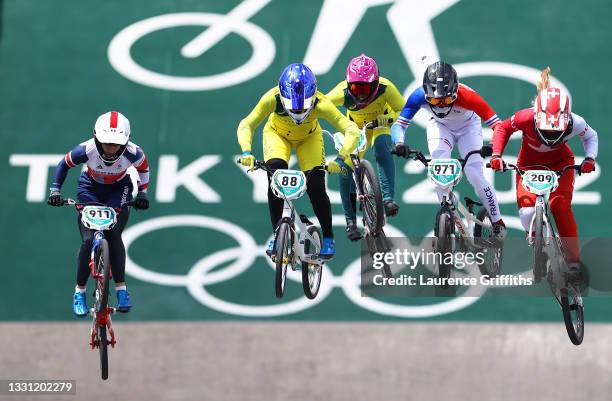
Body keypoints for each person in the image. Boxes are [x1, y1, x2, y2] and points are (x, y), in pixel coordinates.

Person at [237, 63, 360, 259]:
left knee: (316, 186)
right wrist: (246, 152)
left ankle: (328, 237)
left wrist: (341, 157)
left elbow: (351, 130)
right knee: (275, 178)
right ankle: (278, 235)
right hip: (277, 136)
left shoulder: (321, 102)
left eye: (304, 108)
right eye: (292, 108)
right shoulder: (272, 98)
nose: (298, 114)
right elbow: (247, 124)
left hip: (309, 138)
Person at [491, 67, 598, 272]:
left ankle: (574, 261)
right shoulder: (525, 117)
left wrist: (590, 159)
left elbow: (591, 137)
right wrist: (497, 155)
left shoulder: (576, 122)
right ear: (537, 117)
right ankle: (537, 236)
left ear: (566, 120)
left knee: (560, 206)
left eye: (555, 130)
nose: (550, 135)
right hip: (527, 166)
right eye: (546, 129)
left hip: (561, 164)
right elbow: (503, 128)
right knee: (527, 212)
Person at [47, 111, 150, 316]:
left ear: (125, 142)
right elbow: (63, 165)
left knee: (113, 235)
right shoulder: (85, 150)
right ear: (96, 138)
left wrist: (143, 193)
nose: (111, 149)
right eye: (106, 143)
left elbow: (143, 170)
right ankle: (79, 291)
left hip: (119, 189)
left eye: (116, 144)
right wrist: (55, 190)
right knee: (87, 241)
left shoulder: (135, 153)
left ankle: (121, 289)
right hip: (89, 188)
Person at [391, 61, 506, 238]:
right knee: (439, 167)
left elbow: (498, 126)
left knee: (474, 173)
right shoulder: (418, 96)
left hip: (469, 127)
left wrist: (494, 147)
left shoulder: (468, 96)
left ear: (455, 91)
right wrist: (399, 143)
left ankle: (497, 221)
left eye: (446, 100)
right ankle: (448, 219)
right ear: (426, 93)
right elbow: (399, 125)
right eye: (435, 101)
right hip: (440, 126)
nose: (441, 105)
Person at [326, 54, 405, 241]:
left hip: (380, 123)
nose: (361, 94)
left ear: (376, 83)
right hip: (356, 128)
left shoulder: (386, 88)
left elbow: (403, 111)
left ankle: (387, 199)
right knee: (345, 167)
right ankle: (350, 222)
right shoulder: (341, 92)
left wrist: (388, 119)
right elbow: (320, 106)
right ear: (348, 84)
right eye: (355, 88)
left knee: (382, 146)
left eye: (366, 88)